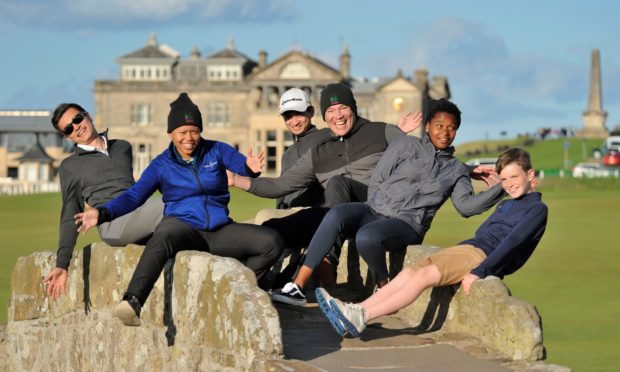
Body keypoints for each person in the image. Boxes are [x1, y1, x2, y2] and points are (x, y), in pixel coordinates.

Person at [76, 93, 284, 326]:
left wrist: (250, 167)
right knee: (163, 234)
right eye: (182, 132)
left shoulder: (216, 150)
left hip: (219, 230)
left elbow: (240, 164)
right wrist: (103, 213)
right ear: (171, 134)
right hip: (182, 227)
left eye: (194, 131)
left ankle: (237, 292)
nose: (189, 138)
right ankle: (133, 301)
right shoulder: (161, 164)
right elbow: (134, 197)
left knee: (271, 242)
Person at [271, 98, 505, 305]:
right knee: (336, 214)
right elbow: (379, 178)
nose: (445, 132)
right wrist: (379, 207)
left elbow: (466, 207)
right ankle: (297, 286)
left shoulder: (456, 170)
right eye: (440, 126)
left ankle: (384, 290)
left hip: (408, 223)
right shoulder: (405, 144)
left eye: (451, 128)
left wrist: (501, 188)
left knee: (368, 236)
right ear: (428, 127)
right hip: (377, 210)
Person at [316, 147, 548, 337]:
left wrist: (480, 271)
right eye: (504, 179)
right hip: (468, 248)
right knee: (410, 272)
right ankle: (356, 309)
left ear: (530, 175)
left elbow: (513, 242)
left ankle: (361, 317)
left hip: (479, 256)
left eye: (514, 177)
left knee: (422, 277)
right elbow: (483, 233)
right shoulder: (506, 203)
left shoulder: (537, 209)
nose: (509, 184)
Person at [230, 83, 422, 290]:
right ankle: (252, 286)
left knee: (337, 183)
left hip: (375, 210)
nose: (337, 115)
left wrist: (399, 132)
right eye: (330, 111)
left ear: (353, 108)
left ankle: (326, 262)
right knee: (270, 230)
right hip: (332, 214)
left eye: (343, 108)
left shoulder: (379, 131)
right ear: (324, 115)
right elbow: (281, 185)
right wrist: (236, 179)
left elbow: (418, 161)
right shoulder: (320, 151)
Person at [44, 103, 164, 300]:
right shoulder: (70, 167)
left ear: (87, 115)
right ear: (67, 137)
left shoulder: (122, 147)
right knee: (173, 203)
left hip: (138, 214)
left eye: (77, 119)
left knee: (178, 227)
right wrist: (62, 264)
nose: (76, 127)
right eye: (68, 129)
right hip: (112, 224)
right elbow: (70, 213)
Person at [276, 88, 330, 209]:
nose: (294, 122)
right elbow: (281, 191)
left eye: (299, 114)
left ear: (311, 112)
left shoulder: (326, 137)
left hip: (312, 214)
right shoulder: (287, 154)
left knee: (262, 217)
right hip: (287, 216)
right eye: (288, 116)